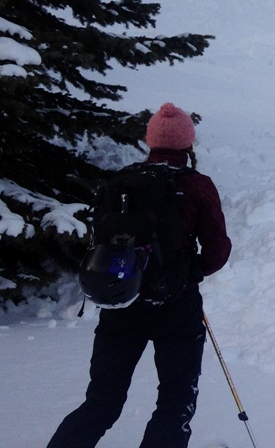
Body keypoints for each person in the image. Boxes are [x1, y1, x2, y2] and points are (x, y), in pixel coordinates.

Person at [47, 103, 232, 448]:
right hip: (177, 307)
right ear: (187, 144)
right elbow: (217, 251)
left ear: (150, 142)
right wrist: (186, 272)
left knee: (101, 402)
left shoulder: (121, 181)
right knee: (174, 404)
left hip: (121, 300)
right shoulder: (198, 186)